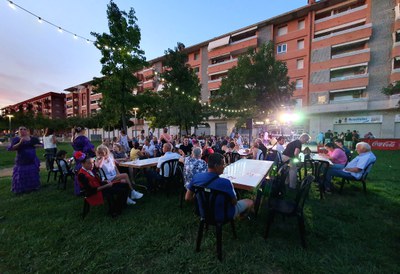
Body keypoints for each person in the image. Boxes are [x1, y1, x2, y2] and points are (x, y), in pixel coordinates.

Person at [185, 153, 254, 219]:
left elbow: (187, 198)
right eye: (223, 164)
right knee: (250, 202)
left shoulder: (196, 177)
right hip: (223, 215)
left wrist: (202, 200)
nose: (224, 166)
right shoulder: (226, 183)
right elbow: (234, 202)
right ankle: (240, 217)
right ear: (216, 166)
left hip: (203, 212)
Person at [7, 126, 42, 194]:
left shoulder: (32, 138)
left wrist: (37, 146)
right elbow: (12, 148)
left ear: (27, 130)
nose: (23, 130)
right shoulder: (16, 139)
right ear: (18, 131)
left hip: (32, 159)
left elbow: (40, 145)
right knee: (22, 174)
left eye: (24, 129)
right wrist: (20, 142)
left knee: (32, 173)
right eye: (21, 129)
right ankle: (22, 189)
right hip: (22, 160)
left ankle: (33, 187)